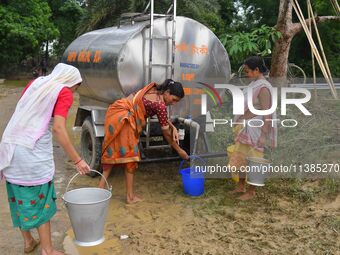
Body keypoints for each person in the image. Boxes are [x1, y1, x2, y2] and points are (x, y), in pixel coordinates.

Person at [0, 63, 91, 255]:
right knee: (41, 202)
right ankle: (48, 251)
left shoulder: (36, 84)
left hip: (10, 148)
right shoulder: (63, 92)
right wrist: (78, 160)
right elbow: (58, 128)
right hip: (31, 155)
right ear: (71, 80)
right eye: (77, 85)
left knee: (20, 199)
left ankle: (28, 242)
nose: (76, 90)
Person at [99, 79, 190, 203]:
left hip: (116, 112)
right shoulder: (161, 105)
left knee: (111, 151)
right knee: (131, 158)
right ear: (167, 92)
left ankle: (99, 190)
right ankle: (130, 197)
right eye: (173, 99)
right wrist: (180, 151)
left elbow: (162, 116)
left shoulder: (154, 89)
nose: (173, 103)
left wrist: (173, 126)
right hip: (126, 119)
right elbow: (167, 134)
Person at [227, 56, 277, 201]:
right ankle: (240, 186)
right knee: (241, 157)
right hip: (245, 129)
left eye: (248, 71)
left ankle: (251, 191)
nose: (247, 74)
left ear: (257, 70)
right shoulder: (254, 84)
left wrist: (263, 135)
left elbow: (267, 112)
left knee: (255, 160)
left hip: (256, 130)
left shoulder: (263, 88)